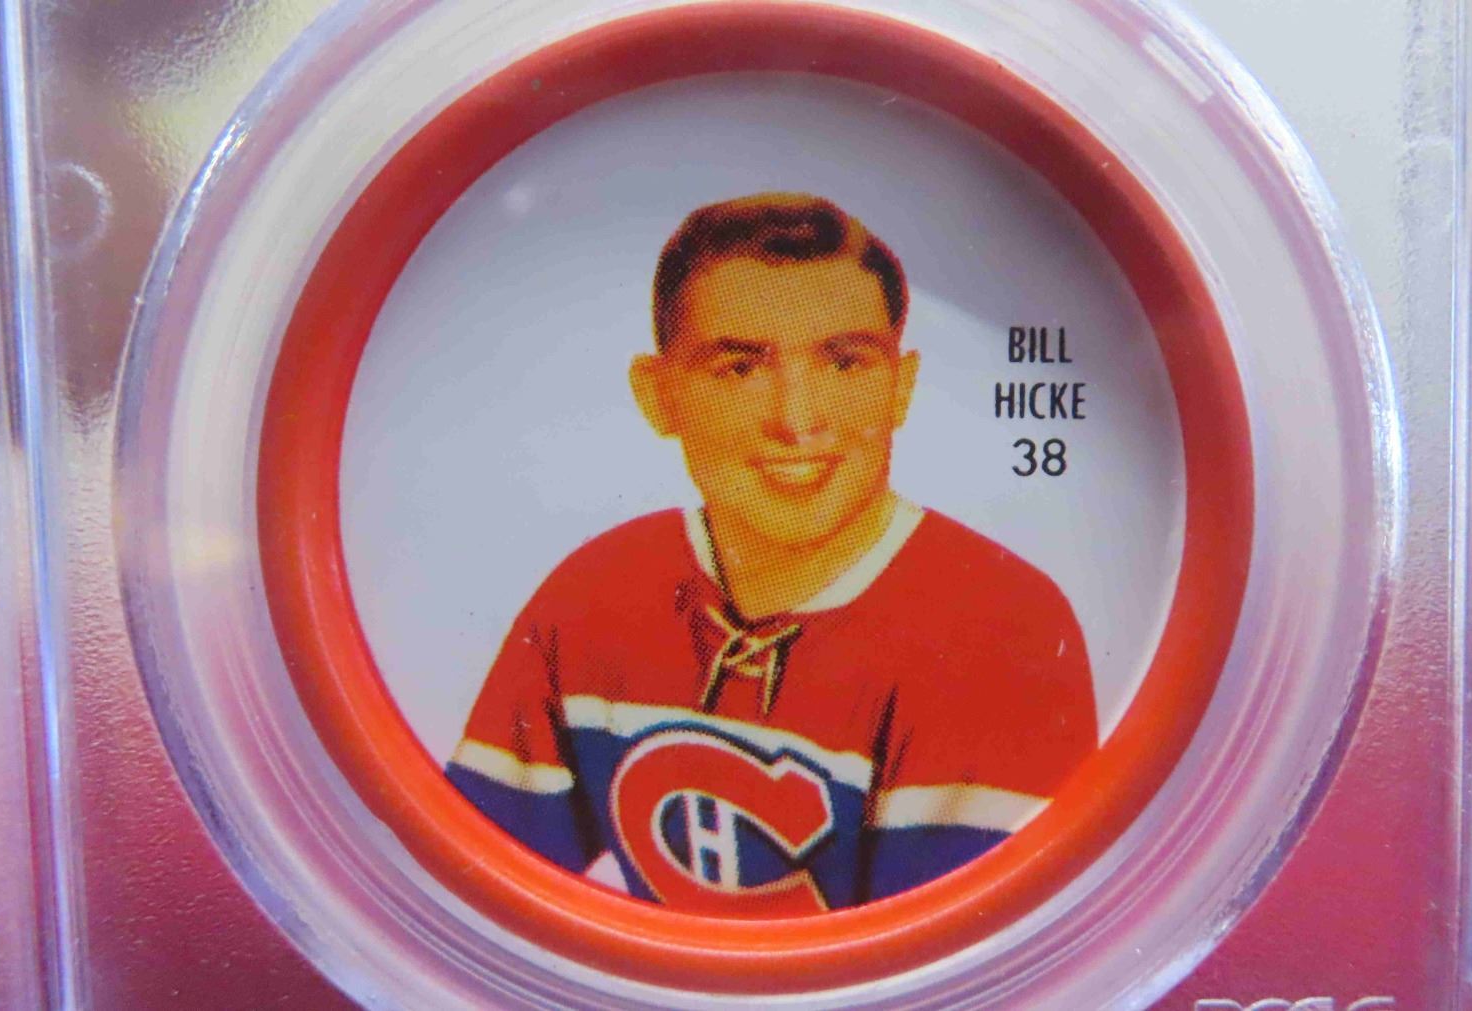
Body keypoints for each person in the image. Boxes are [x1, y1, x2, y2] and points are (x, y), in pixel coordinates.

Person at [444, 193, 1096, 916]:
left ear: (900, 387)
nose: (797, 420)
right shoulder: (597, 591)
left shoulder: (998, 622)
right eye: (739, 369)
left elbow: (954, 960)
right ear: (659, 396)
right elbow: (473, 894)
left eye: (844, 363)